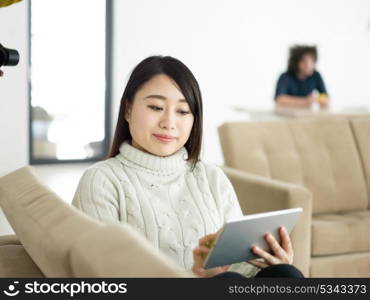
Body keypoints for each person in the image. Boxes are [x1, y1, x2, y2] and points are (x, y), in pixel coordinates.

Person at [72, 55, 304, 278]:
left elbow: (240, 268)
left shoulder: (212, 177)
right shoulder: (101, 180)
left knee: (285, 274)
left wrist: (267, 262)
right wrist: (195, 277)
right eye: (155, 107)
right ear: (128, 109)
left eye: (183, 111)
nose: (169, 123)